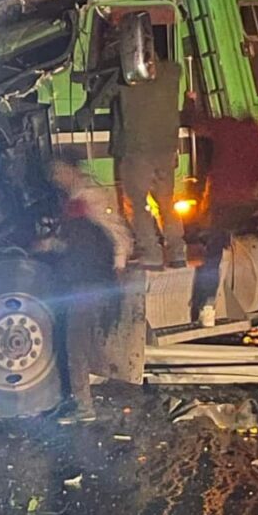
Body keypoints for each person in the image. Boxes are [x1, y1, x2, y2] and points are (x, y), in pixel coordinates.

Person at [38, 162, 131, 424]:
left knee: (75, 347)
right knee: (77, 345)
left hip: (87, 284)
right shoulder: (76, 202)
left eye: (59, 172)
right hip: (85, 282)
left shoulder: (88, 200)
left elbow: (112, 233)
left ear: (71, 170)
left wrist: (120, 263)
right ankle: (80, 398)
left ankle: (84, 407)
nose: (56, 178)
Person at [184, 94, 258, 323]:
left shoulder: (226, 127)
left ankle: (206, 305)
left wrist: (190, 101)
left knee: (212, 253)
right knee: (222, 242)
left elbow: (195, 124)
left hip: (221, 203)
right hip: (244, 204)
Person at [111, 51, 184, 268]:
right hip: (166, 149)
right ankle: (177, 251)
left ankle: (151, 252)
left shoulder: (127, 77)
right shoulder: (172, 71)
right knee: (166, 202)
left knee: (138, 203)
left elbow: (106, 95)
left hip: (138, 150)